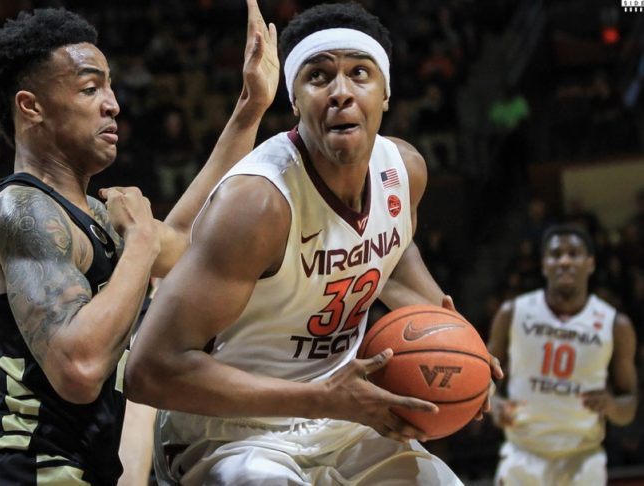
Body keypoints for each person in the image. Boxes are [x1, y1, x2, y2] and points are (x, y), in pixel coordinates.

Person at [125, 3, 499, 484]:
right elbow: (149, 371)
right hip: (229, 430)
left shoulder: (404, 171)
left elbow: (395, 261)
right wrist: (322, 398)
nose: (341, 92)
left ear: (386, 93)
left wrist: (465, 353)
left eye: (359, 73)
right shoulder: (257, 203)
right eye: (318, 76)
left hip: (342, 418)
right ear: (295, 101)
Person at [0, 3, 279, 485]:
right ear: (31, 106)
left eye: (110, 87)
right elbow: (79, 368)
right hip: (14, 470)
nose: (113, 103)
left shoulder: (92, 216)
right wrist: (139, 241)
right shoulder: (21, 209)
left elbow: (187, 241)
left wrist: (251, 106)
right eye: (90, 88)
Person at [487, 224, 638, 486]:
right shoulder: (512, 312)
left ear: (590, 263)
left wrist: (611, 405)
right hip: (523, 453)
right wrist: (494, 403)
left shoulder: (616, 325)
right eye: (556, 255)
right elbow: (481, 380)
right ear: (544, 265)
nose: (565, 261)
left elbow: (629, 406)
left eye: (574, 254)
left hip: (582, 457)